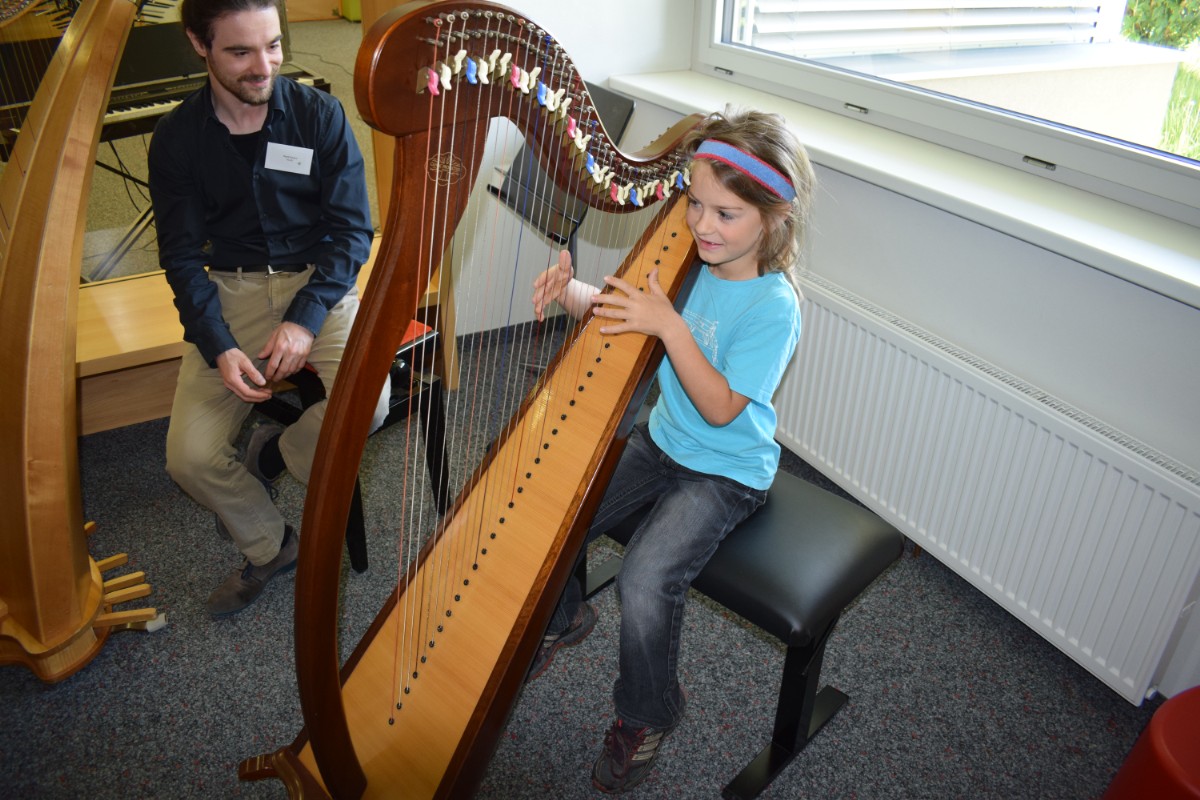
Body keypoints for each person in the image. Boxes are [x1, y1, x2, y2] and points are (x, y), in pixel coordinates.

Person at [529, 107, 816, 793]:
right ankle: (565, 616)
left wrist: (670, 325)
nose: (703, 226)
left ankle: (647, 713)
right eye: (694, 203)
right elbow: (629, 315)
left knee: (645, 579)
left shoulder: (774, 305)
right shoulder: (688, 261)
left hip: (725, 472)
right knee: (558, 507)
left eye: (726, 214)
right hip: (664, 444)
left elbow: (720, 408)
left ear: (773, 219)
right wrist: (569, 291)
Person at [148, 0, 388, 618]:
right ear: (199, 45)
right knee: (190, 458)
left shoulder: (318, 115)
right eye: (241, 51)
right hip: (231, 292)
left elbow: (352, 232)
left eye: (274, 45)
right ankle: (271, 544)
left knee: (374, 401)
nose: (265, 67)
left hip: (320, 283)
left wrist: (306, 317)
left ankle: (278, 454)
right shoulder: (177, 140)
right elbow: (178, 257)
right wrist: (218, 344)